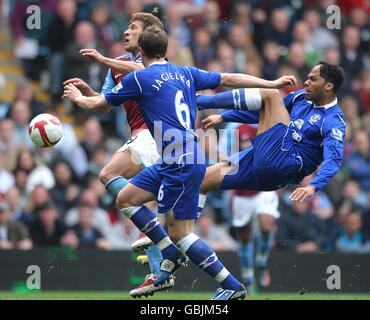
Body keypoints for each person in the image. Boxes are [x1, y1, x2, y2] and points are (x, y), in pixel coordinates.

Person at [63, 26, 296, 300]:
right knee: (126, 198)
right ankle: (170, 252)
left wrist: (78, 97)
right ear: (165, 50)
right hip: (180, 156)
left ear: (142, 52)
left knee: (181, 233)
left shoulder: (139, 78)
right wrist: (271, 84)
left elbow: (98, 106)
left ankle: (231, 285)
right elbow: (230, 77)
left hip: (180, 161)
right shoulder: (186, 72)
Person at [63, 12, 170, 296]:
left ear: (148, 36)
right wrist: (85, 94)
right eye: (125, 27)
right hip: (141, 137)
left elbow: (145, 76)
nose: (125, 32)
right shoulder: (118, 66)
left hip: (157, 136)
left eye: (133, 28)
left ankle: (154, 234)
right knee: (135, 201)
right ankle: (159, 272)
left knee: (110, 174)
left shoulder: (159, 64)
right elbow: (103, 105)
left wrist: (103, 60)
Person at [196, 62, 346, 206]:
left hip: (282, 163)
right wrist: (224, 116)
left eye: (313, 79)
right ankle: (182, 232)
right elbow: (265, 112)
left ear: (328, 86)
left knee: (271, 93)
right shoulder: (300, 98)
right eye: (307, 78)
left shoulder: (334, 122)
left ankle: (201, 101)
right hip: (261, 162)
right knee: (202, 181)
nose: (306, 82)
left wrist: (313, 186)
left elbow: (333, 160)